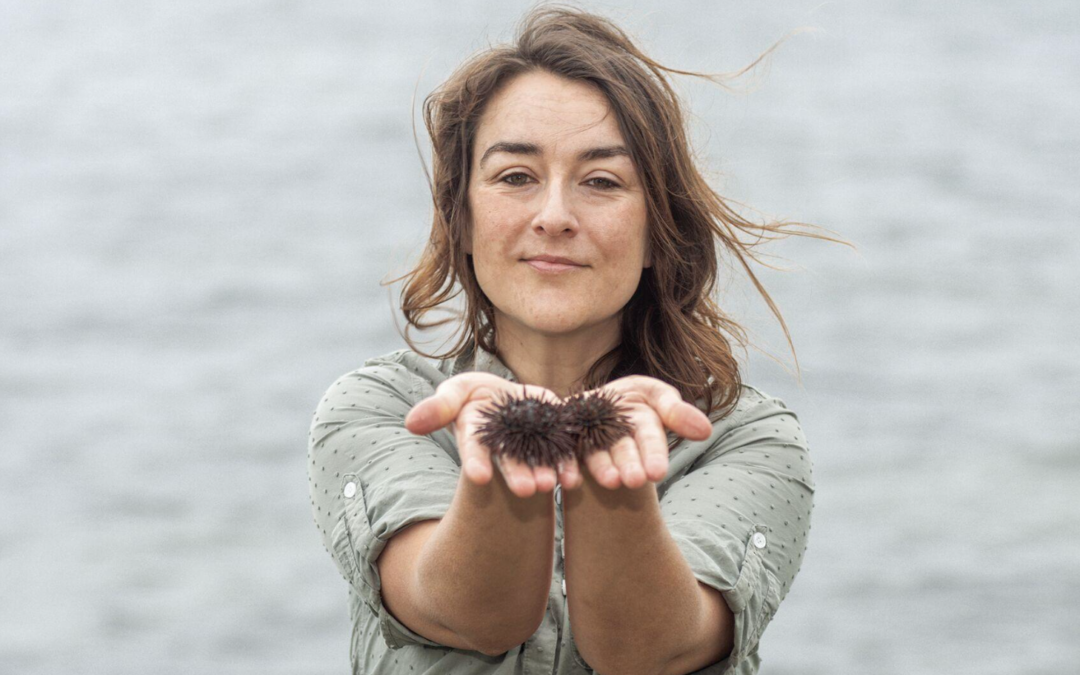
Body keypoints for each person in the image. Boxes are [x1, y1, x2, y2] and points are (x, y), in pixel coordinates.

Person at [308, 6, 847, 674]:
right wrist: (509, 458)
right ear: (463, 219)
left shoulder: (745, 440)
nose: (555, 216)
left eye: (601, 181)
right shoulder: (382, 409)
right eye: (515, 177)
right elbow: (465, 612)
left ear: (657, 232)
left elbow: (651, 646)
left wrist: (608, 462)